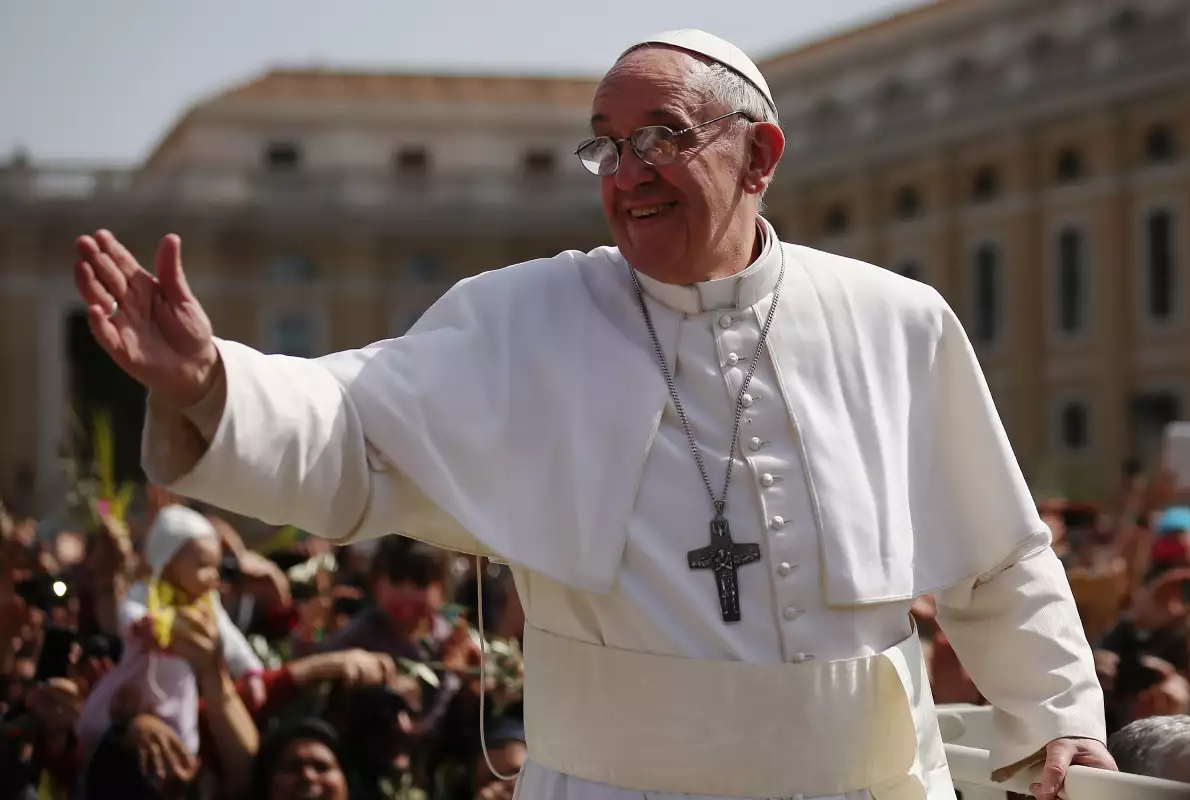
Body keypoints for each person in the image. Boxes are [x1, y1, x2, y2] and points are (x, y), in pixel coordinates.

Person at [73, 28, 1112, 800]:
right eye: (605, 148)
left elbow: (998, 558)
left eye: (661, 137)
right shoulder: (522, 319)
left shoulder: (897, 323)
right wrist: (214, 384)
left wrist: (1062, 719)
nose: (627, 175)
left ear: (760, 156)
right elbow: (348, 425)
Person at [76, 504, 263, 758]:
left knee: (183, 736)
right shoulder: (149, 593)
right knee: (95, 724)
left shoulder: (206, 605)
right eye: (203, 565)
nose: (213, 577)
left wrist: (250, 671)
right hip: (137, 674)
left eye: (216, 567)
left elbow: (230, 639)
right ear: (170, 562)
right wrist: (139, 624)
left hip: (178, 684)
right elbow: (128, 609)